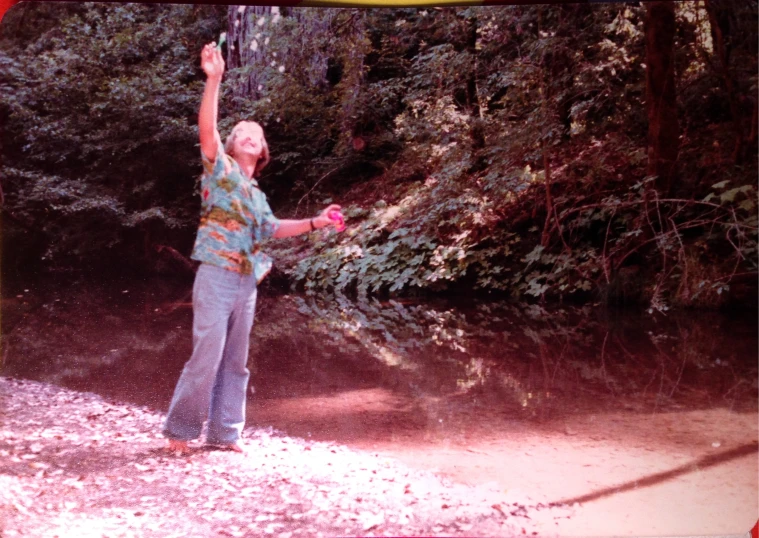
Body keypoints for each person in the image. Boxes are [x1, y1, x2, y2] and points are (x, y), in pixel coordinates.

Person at [162, 42, 341, 453]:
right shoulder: (220, 170)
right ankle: (181, 432)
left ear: (262, 151)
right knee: (205, 357)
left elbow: (273, 227)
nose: (248, 137)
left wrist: (316, 221)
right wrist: (215, 79)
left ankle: (225, 434)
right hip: (215, 276)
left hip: (247, 284)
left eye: (256, 136)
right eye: (241, 133)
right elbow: (207, 130)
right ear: (232, 143)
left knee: (236, 364)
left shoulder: (257, 194)